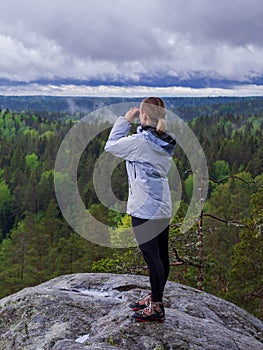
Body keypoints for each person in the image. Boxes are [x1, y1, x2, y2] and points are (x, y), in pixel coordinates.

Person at [104, 97, 176, 322]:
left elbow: (111, 145)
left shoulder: (141, 143)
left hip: (145, 208)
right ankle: (156, 297)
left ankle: (156, 308)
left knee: (152, 258)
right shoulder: (164, 140)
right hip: (163, 206)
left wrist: (126, 121)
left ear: (144, 115)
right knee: (162, 257)